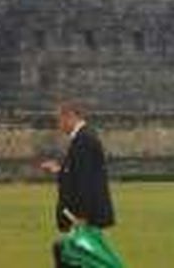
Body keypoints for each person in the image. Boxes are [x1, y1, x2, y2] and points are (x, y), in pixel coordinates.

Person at [40, 101, 115, 268]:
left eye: (59, 120)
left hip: (84, 216)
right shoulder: (82, 138)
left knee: (81, 256)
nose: (59, 126)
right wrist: (60, 170)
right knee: (72, 254)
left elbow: (86, 181)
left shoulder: (84, 140)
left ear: (70, 116)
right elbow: (78, 174)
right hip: (82, 215)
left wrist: (82, 215)